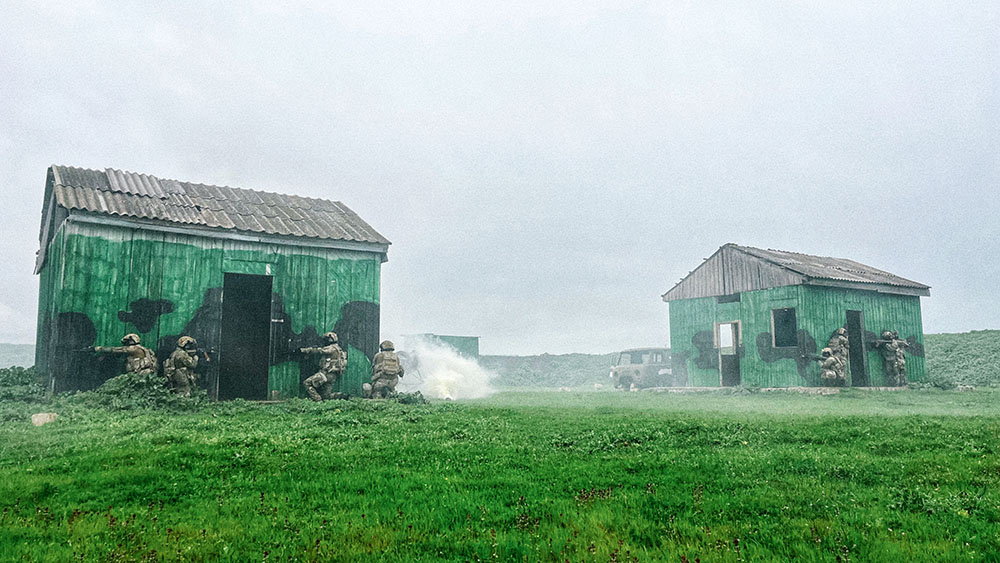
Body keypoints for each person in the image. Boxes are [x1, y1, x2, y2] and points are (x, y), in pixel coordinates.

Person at [300, 332, 346, 401]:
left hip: (325, 374)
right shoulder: (339, 349)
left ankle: (318, 401)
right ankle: (340, 396)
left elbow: (321, 351)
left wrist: (307, 350)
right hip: (333, 376)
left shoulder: (332, 348)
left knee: (307, 383)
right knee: (326, 396)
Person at [92, 333, 158, 376]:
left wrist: (97, 349)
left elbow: (114, 350)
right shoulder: (146, 349)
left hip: (140, 375)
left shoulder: (133, 349)